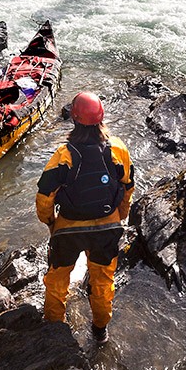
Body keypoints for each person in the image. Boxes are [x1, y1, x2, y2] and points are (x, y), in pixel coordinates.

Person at [35, 92, 134, 344]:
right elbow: (127, 186)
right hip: (107, 228)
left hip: (68, 229)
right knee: (102, 282)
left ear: (74, 119)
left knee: (57, 280)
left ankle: (55, 331)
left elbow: (44, 197)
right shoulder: (118, 149)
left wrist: (50, 222)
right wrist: (120, 216)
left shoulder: (63, 154)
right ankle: (100, 330)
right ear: (101, 119)